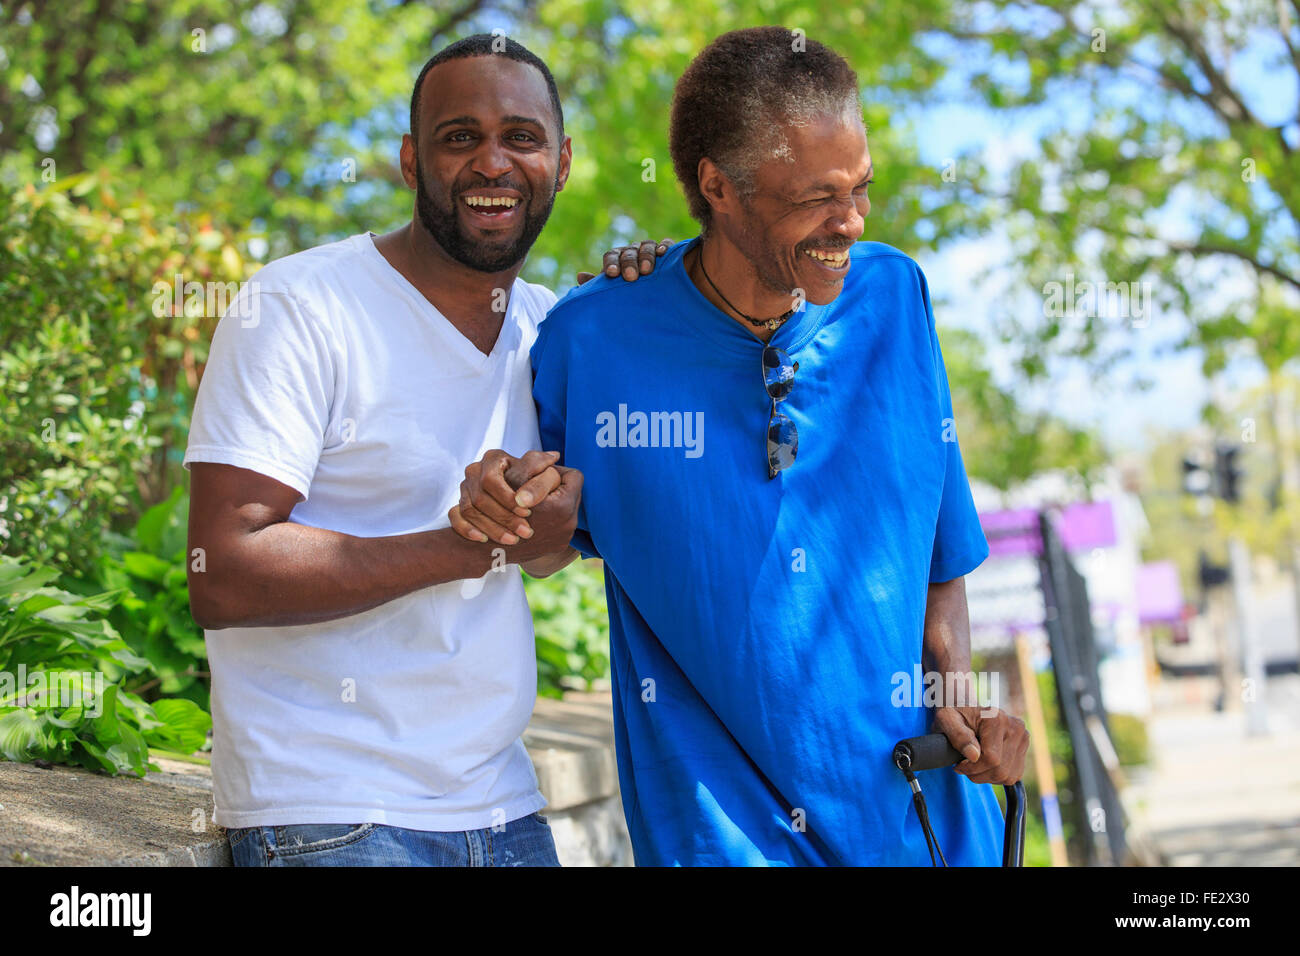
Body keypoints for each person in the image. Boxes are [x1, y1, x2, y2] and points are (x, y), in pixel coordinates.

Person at [452, 26, 1030, 865]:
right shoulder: (593, 341)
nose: (851, 221)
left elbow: (941, 567)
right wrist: (503, 500)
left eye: (861, 188)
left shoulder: (894, 299)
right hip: (721, 840)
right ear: (718, 187)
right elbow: (543, 547)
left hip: (926, 822)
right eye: (815, 197)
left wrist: (962, 705)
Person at [184, 33, 657, 867]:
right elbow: (220, 570)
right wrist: (460, 546)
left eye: (521, 136)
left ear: (563, 160)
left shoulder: (556, 326)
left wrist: (661, 306)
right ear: (411, 161)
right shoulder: (300, 306)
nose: (492, 162)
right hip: (328, 812)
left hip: (503, 806)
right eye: (458, 137)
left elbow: (552, 553)